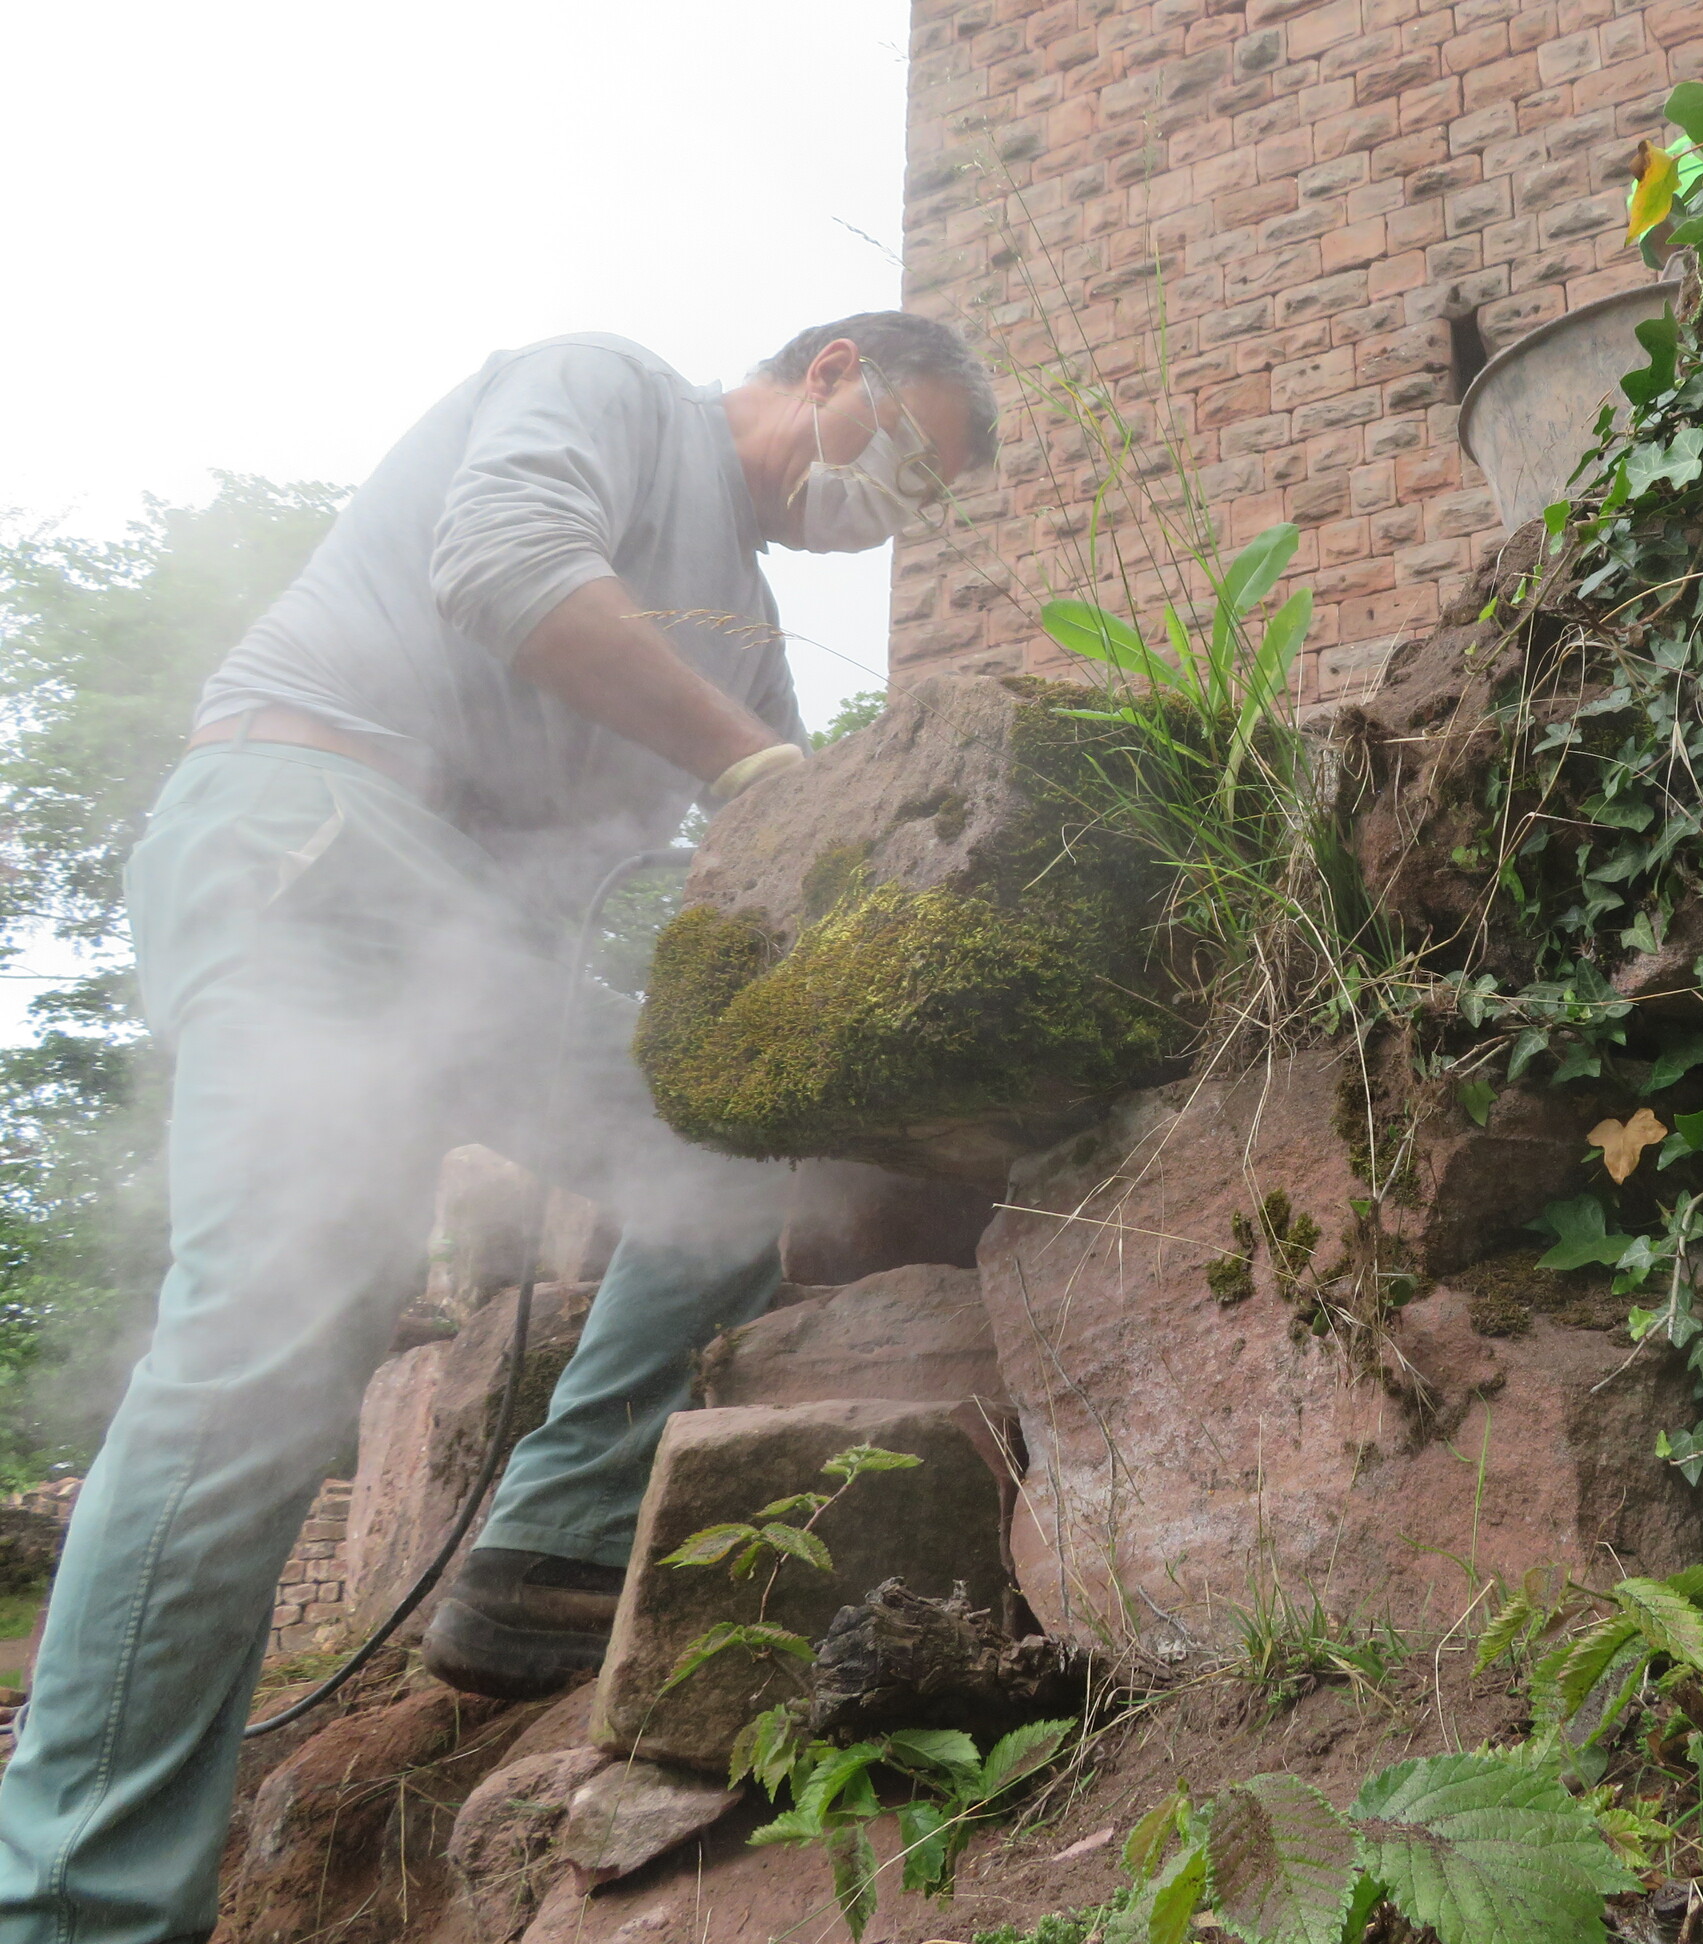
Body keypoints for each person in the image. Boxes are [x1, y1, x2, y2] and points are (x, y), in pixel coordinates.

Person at [0, 311, 997, 1944]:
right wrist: (755, 769)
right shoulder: (612, 391)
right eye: (907, 455)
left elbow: (786, 852)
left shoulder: (746, 632)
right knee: (271, 1342)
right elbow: (507, 567)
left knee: (734, 1146)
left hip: (474, 950)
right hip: (316, 839)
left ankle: (548, 1550)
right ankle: (74, 1910)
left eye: (927, 502)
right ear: (832, 374)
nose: (897, 506)